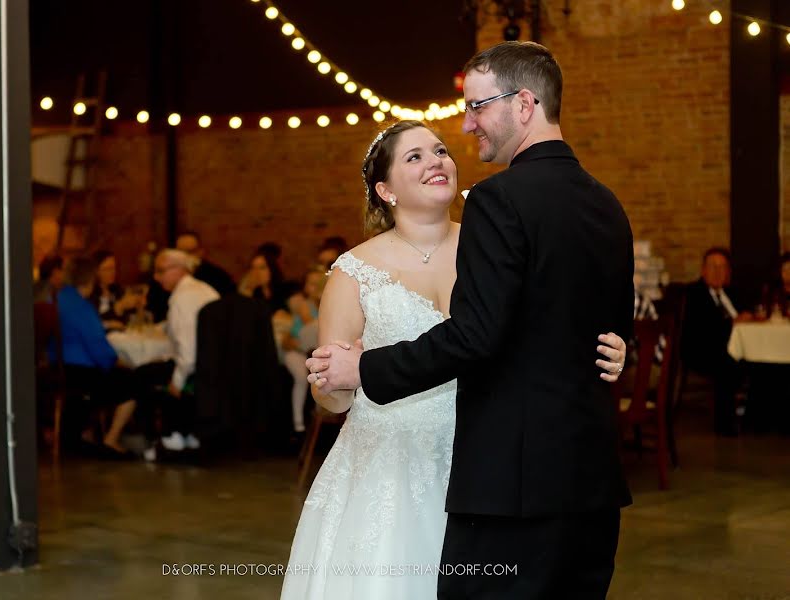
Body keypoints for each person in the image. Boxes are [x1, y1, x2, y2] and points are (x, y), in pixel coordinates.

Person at [284, 47, 629, 596]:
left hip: (499, 478)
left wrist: (367, 369)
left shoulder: (497, 206)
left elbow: (480, 333)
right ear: (386, 190)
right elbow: (587, 310)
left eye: (473, 110)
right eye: (415, 157)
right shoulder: (605, 202)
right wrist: (617, 345)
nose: (463, 130)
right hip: (562, 477)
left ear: (523, 104)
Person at [55, 257, 141, 457]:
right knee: (134, 382)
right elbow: (98, 348)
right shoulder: (82, 307)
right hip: (80, 372)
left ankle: (87, 434)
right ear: (91, 279)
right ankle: (111, 439)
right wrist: (119, 362)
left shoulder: (60, 298)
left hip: (59, 367)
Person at [150, 249, 220, 452]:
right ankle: (188, 433)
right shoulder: (206, 289)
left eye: (160, 271)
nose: (156, 277)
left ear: (179, 270)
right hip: (214, 367)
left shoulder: (181, 298)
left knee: (140, 377)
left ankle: (167, 437)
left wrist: (177, 381)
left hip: (195, 368)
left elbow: (187, 351)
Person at [681, 247, 750, 435]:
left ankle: (755, 418)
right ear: (703, 270)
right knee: (727, 363)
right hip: (703, 350)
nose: (718, 271)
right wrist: (733, 322)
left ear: (728, 272)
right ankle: (725, 425)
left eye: (723, 267)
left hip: (739, 347)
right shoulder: (693, 294)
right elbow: (704, 328)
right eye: (713, 266)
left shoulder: (734, 294)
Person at [282, 268, 325, 433]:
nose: (314, 288)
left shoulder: (328, 305)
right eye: (310, 284)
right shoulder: (303, 305)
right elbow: (309, 327)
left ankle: (320, 415)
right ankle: (297, 423)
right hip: (297, 350)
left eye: (318, 284)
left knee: (320, 375)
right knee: (301, 377)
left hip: (314, 351)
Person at [176, 231, 236, 296]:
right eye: (181, 252)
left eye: (190, 252)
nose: (185, 256)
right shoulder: (172, 275)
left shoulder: (217, 276)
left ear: (201, 251)